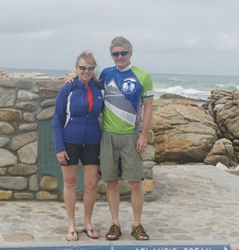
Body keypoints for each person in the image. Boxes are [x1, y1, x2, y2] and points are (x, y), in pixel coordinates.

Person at [99, 36, 153, 241]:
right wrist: (72, 79)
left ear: (130, 53)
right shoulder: (105, 73)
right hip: (108, 136)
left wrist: (144, 135)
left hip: (131, 136)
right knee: (111, 182)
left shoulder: (143, 75)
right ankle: (115, 224)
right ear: (111, 55)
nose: (119, 57)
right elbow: (87, 84)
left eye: (123, 53)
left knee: (135, 183)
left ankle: (137, 224)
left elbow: (148, 107)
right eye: (115, 53)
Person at [53, 50, 104, 241]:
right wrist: (59, 147)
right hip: (70, 141)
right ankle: (72, 225)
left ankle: (88, 223)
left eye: (90, 68)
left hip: (92, 141)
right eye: (83, 67)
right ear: (76, 68)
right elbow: (57, 119)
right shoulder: (68, 89)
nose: (86, 71)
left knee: (91, 184)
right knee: (70, 183)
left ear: (93, 69)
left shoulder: (100, 88)